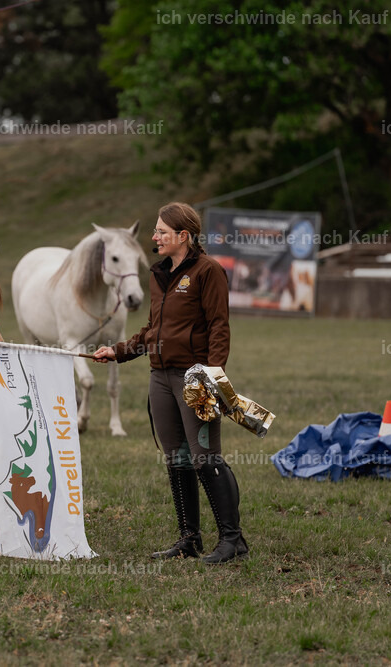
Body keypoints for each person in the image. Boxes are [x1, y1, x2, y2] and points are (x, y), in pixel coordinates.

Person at [92, 202, 248, 564]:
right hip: (159, 377)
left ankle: (233, 540)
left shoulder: (208, 271)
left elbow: (219, 328)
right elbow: (152, 330)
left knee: (205, 458)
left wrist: (212, 377)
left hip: (194, 377)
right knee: (176, 457)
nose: (154, 237)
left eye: (162, 231)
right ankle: (188, 539)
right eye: (156, 231)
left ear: (183, 236)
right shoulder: (158, 273)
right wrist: (117, 351)